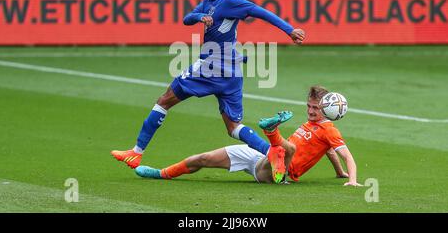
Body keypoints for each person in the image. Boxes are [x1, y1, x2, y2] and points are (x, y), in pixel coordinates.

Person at [111, 0, 305, 169]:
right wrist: (201, 16)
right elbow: (187, 18)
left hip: (211, 66)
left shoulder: (231, 1)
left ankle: (136, 153)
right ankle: (272, 152)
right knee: (233, 127)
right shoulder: (209, 0)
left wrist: (290, 30)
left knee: (164, 100)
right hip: (231, 71)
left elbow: (261, 12)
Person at [135, 86, 362, 187]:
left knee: (288, 150)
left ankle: (271, 132)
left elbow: (346, 155)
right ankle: (161, 173)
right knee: (203, 158)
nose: (311, 111)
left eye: (315, 108)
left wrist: (351, 178)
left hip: (280, 172)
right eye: (309, 106)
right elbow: (330, 151)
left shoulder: (329, 129)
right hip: (264, 157)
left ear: (326, 108)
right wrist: (338, 172)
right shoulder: (312, 125)